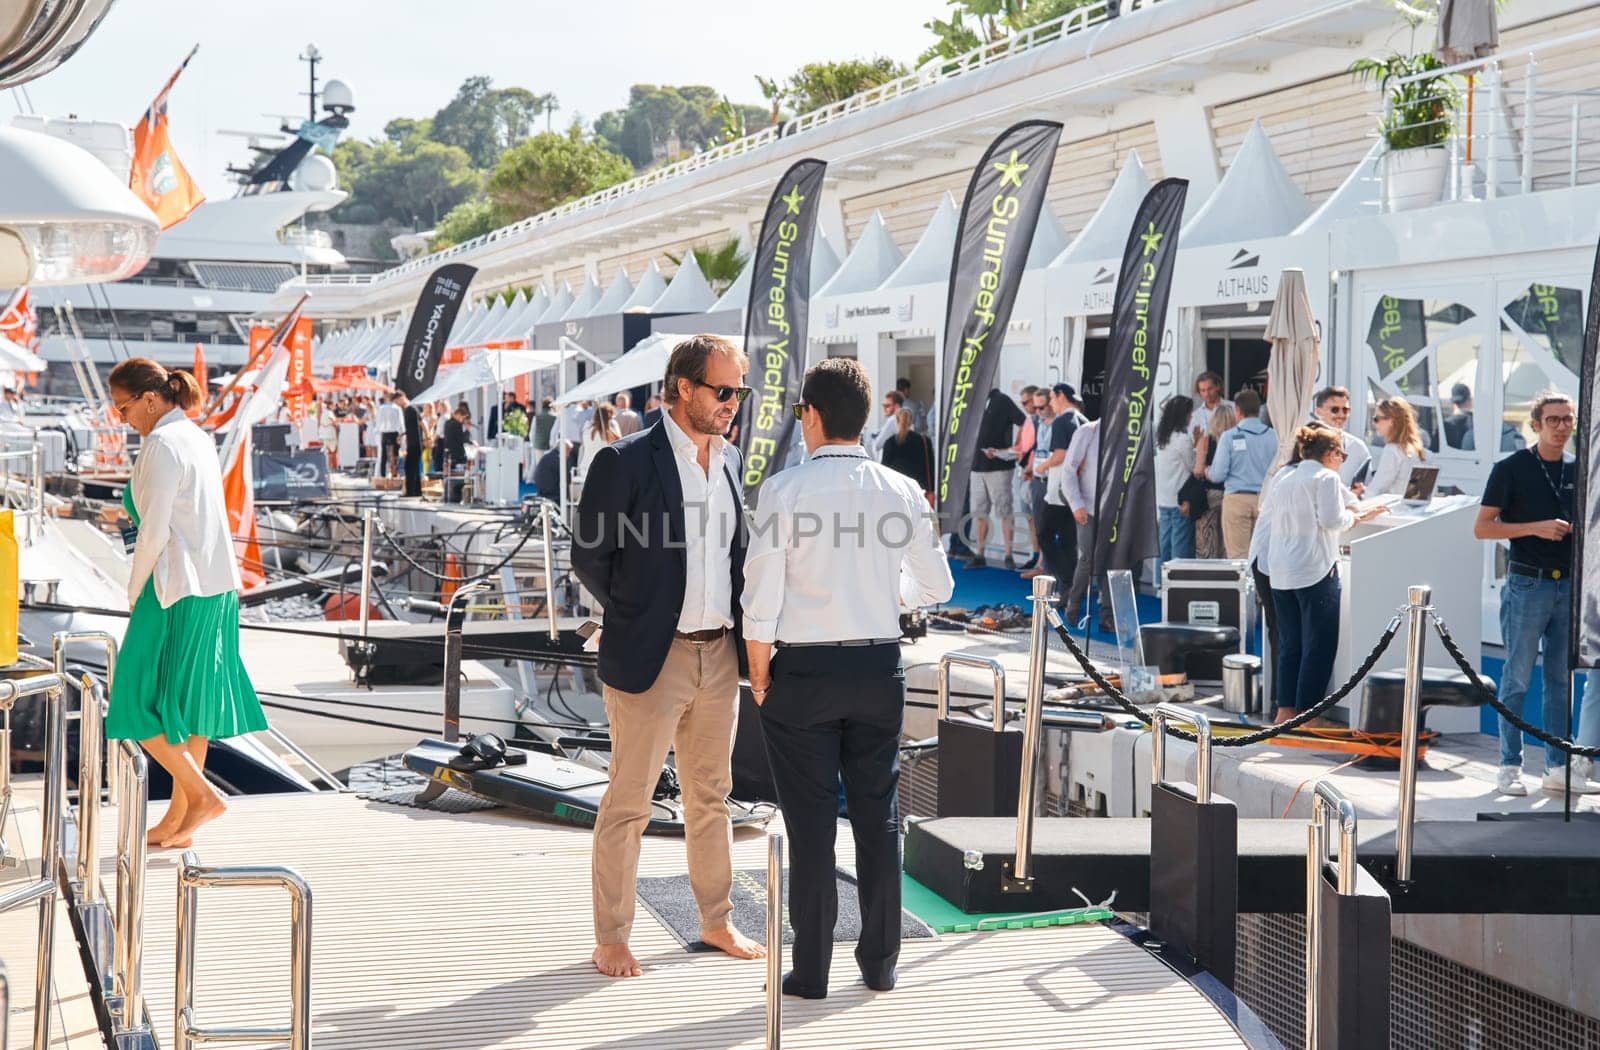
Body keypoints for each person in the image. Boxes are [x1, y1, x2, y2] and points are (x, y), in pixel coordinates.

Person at [743, 358, 953, 999]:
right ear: (863, 419)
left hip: (802, 671)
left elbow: (760, 601)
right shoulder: (901, 490)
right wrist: (891, 593)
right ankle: (881, 963)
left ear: (810, 414)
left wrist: (759, 678)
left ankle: (811, 972)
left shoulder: (783, 491)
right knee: (877, 817)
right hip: (876, 667)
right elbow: (938, 585)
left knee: (809, 828)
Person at [571, 333, 765, 979]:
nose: (734, 403)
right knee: (629, 800)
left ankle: (715, 921)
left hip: (720, 656)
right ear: (684, 388)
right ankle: (612, 936)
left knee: (712, 796)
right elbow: (588, 556)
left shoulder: (731, 460)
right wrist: (634, 617)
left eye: (739, 391)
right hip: (653, 656)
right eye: (724, 390)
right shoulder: (624, 461)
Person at [105, 358, 265, 848]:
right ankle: (181, 821)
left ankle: (203, 795)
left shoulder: (160, 445)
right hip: (216, 587)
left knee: (132, 700)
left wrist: (133, 593)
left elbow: (152, 532)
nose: (122, 418)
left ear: (150, 399)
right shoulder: (196, 436)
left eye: (124, 407)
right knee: (189, 704)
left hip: (174, 588)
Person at [1474, 393, 1597, 796]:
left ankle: (1557, 766)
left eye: (1568, 420)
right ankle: (1509, 766)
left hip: (1569, 585)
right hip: (1528, 582)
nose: (1562, 427)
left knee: (1562, 681)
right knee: (1517, 677)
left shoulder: (1580, 470)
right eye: (1554, 420)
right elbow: (1483, 527)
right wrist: (1535, 527)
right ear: (1536, 424)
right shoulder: (1511, 468)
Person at [1257, 425, 1388, 723]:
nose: (1342, 459)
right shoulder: (1326, 477)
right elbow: (1332, 519)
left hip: (1280, 567)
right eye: (1341, 454)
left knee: (1290, 643)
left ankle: (1285, 710)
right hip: (1314, 568)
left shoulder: (1284, 475)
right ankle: (1309, 712)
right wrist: (1356, 517)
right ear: (1330, 454)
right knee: (1319, 643)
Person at [1205, 388, 1276, 559]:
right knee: (1264, 557)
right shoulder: (1274, 436)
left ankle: (1244, 587)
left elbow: (1218, 475)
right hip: (1266, 500)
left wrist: (1207, 471)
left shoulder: (1229, 437)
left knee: (1238, 559)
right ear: (1259, 410)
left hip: (1236, 499)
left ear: (1238, 411)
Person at [1060, 416, 1113, 631]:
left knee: (1112, 561)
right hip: (1088, 506)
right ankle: (1074, 602)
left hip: (1114, 508)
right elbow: (1069, 469)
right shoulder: (1087, 431)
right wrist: (1076, 504)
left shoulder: (1130, 433)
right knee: (1088, 559)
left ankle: (1107, 615)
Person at [968, 388, 1025, 568]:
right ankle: (979, 553)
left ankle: (1008, 555)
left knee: (1004, 510)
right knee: (979, 511)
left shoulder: (1002, 400)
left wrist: (1015, 447)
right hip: (977, 466)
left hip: (999, 466)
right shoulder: (971, 403)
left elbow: (1024, 422)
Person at [1039, 384, 1086, 593]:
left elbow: (1061, 454)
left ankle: (1068, 580)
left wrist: (1043, 465)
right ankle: (1071, 587)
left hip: (1060, 489)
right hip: (1078, 490)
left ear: (1061, 396)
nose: (1050, 403)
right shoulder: (1084, 421)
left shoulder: (1061, 422)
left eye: (1051, 398)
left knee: (1044, 535)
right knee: (1069, 540)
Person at [1155, 396, 1198, 569]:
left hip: (1164, 498)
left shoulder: (1163, 438)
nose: (1191, 417)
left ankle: (1160, 583)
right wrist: (1198, 445)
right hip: (1180, 499)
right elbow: (1193, 466)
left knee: (1164, 542)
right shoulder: (1183, 439)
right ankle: (1175, 582)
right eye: (1189, 413)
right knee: (1179, 544)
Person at [1193, 402, 1237, 558]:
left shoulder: (1205, 441)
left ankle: (1207, 576)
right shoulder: (1236, 440)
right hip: (1231, 494)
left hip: (1210, 494)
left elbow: (1198, 471)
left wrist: (1206, 470)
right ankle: (1228, 576)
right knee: (1228, 541)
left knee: (1207, 540)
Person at [1312, 386, 1371, 491]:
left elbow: (1367, 484)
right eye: (1335, 410)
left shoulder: (1358, 447)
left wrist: (1362, 490)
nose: (1341, 414)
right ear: (1318, 412)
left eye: (1345, 410)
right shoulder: (1307, 444)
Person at [1369, 397, 1427, 497]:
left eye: (1376, 419)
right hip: (1412, 509)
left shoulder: (1392, 450)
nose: (1374, 423)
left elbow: (1377, 489)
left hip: (1395, 510)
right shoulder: (1417, 449)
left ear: (1391, 421)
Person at [880, 406, 932, 494]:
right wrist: (931, 491)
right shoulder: (924, 441)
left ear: (896, 420)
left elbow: (884, 471)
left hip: (896, 491)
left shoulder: (890, 443)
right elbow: (930, 469)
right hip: (919, 491)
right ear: (912, 421)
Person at [577, 401, 622, 477]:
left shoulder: (587, 430)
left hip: (586, 468)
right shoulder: (610, 431)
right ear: (609, 416)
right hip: (604, 469)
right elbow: (619, 444)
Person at [442, 403, 471, 503]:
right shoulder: (457, 425)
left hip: (448, 454)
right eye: (462, 418)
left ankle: (447, 496)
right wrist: (467, 431)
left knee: (447, 477)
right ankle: (456, 497)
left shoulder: (447, 423)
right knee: (458, 478)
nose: (462, 420)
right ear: (458, 414)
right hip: (457, 455)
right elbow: (461, 440)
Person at [1191, 371, 1234, 438]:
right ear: (1199, 392)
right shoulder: (1195, 416)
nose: (1207, 394)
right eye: (1203, 390)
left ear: (1218, 386)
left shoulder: (1233, 407)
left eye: (1210, 389)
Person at [396, 393, 422, 498]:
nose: (397, 405)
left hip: (415, 442)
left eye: (397, 402)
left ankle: (411, 492)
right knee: (414, 467)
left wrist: (428, 436)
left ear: (401, 398)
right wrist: (402, 435)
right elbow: (411, 427)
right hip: (412, 441)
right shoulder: (407, 410)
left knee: (409, 466)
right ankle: (416, 491)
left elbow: (421, 422)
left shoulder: (411, 409)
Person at [376, 394, 404, 478]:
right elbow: (400, 422)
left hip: (384, 433)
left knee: (384, 455)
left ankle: (383, 474)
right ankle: (394, 473)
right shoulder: (397, 408)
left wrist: (378, 431)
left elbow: (378, 422)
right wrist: (401, 433)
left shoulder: (381, 408)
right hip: (394, 433)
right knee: (395, 454)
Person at [869, 391, 905, 457]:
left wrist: (872, 440)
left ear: (897, 406)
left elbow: (878, 445)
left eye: (887, 406)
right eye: (884, 405)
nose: (884, 408)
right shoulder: (906, 419)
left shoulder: (892, 420)